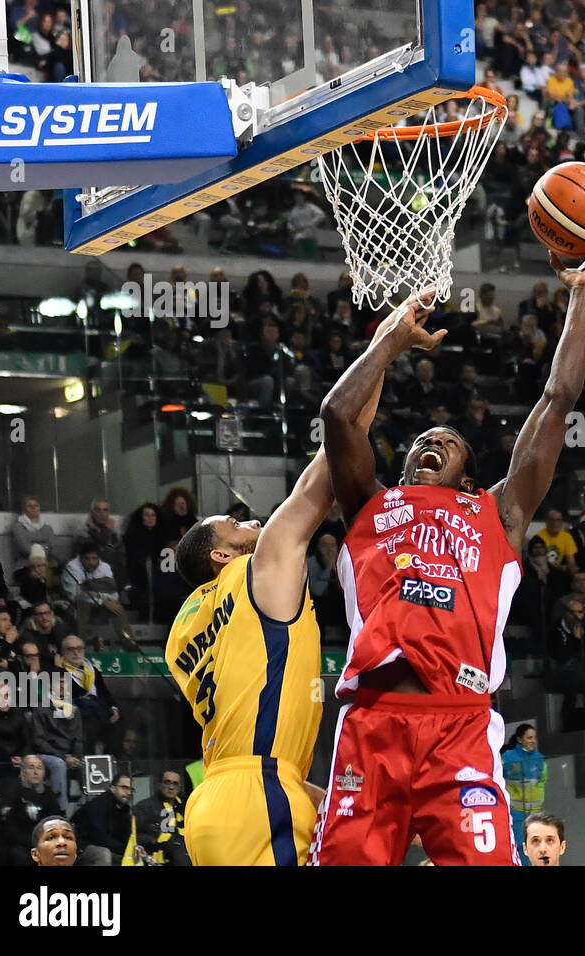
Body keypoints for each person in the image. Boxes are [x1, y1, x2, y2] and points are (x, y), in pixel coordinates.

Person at [311, 253, 585, 867]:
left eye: (447, 443)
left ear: (471, 481)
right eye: (422, 441)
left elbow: (557, 400)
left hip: (462, 728)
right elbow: (339, 415)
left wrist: (581, 296)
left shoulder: (496, 514)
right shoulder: (371, 504)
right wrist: (389, 343)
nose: (431, 442)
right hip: (373, 722)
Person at [167, 304, 403, 867]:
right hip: (258, 795)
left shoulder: (185, 629)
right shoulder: (254, 575)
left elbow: (257, 738)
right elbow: (327, 467)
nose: (252, 522)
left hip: (221, 801)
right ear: (222, 555)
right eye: (236, 525)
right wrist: (387, 347)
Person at [503, 724, 548, 867]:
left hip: (534, 815)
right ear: (519, 739)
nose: (533, 740)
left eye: (534, 737)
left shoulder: (540, 759)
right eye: (529, 737)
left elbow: (542, 783)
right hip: (515, 813)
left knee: (536, 848)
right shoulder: (508, 758)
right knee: (520, 848)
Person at [71, 774, 139, 866]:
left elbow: (126, 837)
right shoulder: (98, 804)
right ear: (112, 788)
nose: (128, 792)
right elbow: (99, 838)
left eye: (131, 789)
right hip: (82, 846)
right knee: (103, 854)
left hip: (107, 846)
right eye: (124, 788)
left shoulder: (124, 809)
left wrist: (134, 849)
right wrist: (126, 849)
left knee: (137, 857)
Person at [134, 769, 189, 865]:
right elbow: (135, 836)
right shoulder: (144, 807)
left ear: (179, 788)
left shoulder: (185, 808)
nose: (171, 787)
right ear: (159, 785)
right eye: (167, 782)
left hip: (182, 854)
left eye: (175, 784)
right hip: (155, 855)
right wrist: (154, 840)